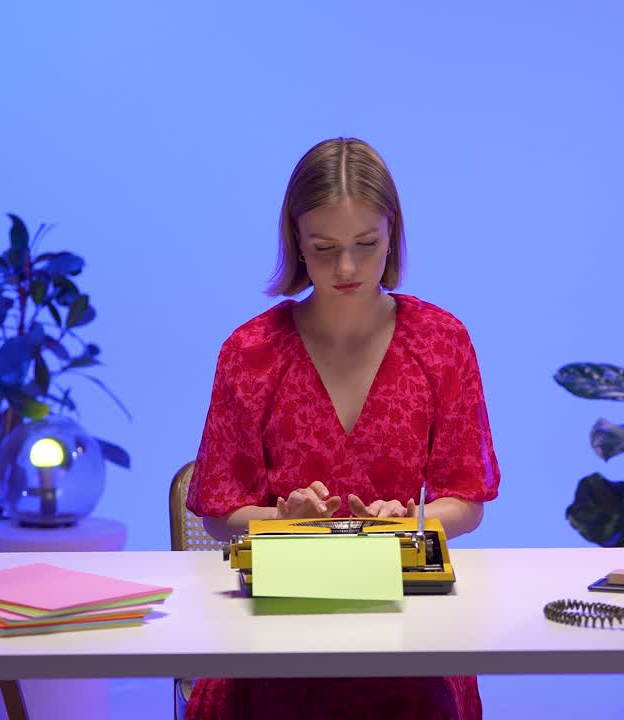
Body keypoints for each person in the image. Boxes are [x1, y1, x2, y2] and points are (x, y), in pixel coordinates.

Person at [185, 137, 501, 720]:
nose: (348, 268)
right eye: (325, 248)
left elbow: (467, 500)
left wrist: (413, 522)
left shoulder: (442, 341)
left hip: (409, 627)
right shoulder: (251, 351)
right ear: (296, 244)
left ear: (393, 237)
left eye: (366, 245)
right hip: (279, 630)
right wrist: (282, 521)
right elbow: (217, 510)